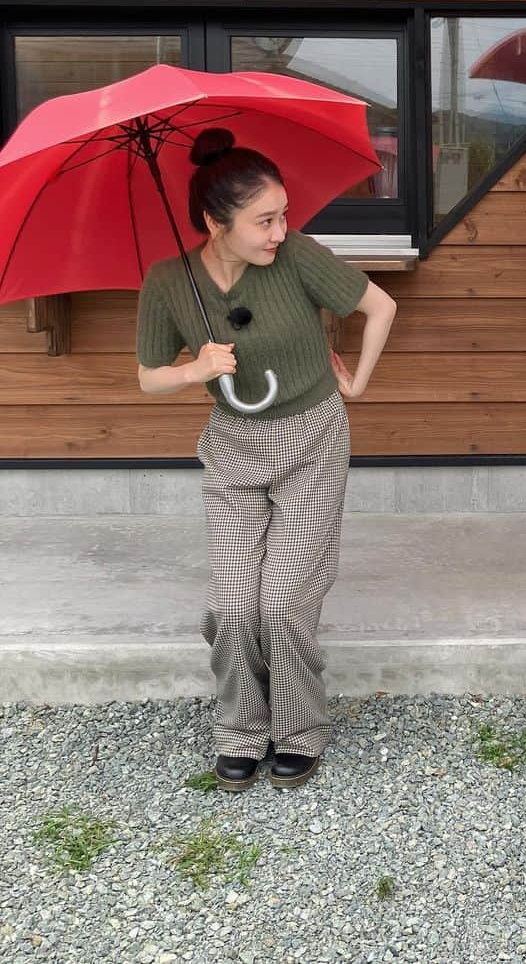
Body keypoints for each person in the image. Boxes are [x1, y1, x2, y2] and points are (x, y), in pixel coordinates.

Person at [136, 127, 396, 791]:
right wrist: (194, 369)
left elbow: (380, 305)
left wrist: (358, 383)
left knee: (280, 604)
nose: (280, 231)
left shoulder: (300, 258)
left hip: (311, 439)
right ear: (214, 223)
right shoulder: (169, 282)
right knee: (233, 608)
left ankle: (300, 729)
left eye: (282, 215)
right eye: (264, 220)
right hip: (232, 450)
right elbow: (147, 377)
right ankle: (241, 731)